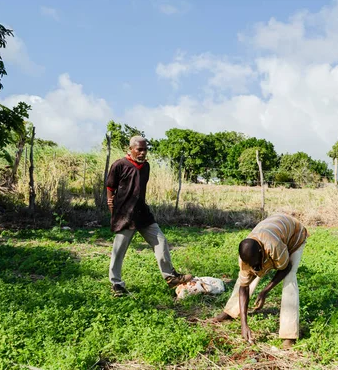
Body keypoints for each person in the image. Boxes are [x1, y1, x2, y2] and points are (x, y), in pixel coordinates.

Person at [106, 136, 192, 297]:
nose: (143, 152)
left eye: (145, 149)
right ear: (130, 149)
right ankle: (116, 284)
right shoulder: (119, 165)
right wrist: (111, 204)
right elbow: (110, 186)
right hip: (125, 215)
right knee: (119, 250)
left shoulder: (145, 167)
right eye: (139, 149)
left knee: (160, 241)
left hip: (142, 213)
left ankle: (170, 277)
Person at [212, 213, 308, 349]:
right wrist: (244, 325)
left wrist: (264, 291)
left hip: (294, 235)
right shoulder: (246, 256)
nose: (254, 267)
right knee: (244, 279)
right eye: (250, 264)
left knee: (290, 279)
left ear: (261, 251)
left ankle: (289, 335)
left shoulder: (273, 246)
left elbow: (286, 268)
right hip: (273, 231)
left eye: (256, 262)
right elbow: (244, 286)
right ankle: (230, 311)